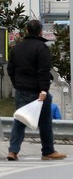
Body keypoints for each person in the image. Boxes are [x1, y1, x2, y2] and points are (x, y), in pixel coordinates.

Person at [6, 19, 66, 161]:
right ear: (40, 32)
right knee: (45, 122)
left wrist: (17, 84)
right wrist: (44, 90)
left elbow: (10, 70)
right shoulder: (42, 48)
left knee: (20, 120)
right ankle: (48, 151)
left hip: (21, 90)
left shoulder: (16, 48)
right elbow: (43, 71)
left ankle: (13, 151)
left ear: (26, 31)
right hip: (38, 92)